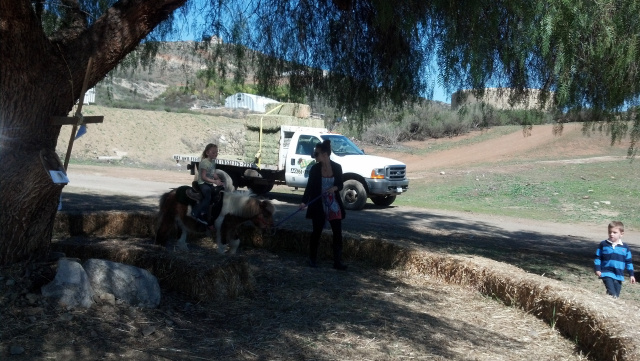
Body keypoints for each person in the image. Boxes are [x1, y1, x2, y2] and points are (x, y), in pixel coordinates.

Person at [300, 139, 347, 270]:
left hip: (333, 204)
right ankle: (312, 259)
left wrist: (335, 188)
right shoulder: (315, 169)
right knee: (316, 232)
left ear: (325, 154)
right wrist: (304, 202)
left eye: (316, 154)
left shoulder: (337, 167)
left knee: (337, 233)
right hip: (318, 204)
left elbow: (341, 184)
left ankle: (337, 262)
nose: (314, 156)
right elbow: (309, 187)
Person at [594, 221, 636, 298]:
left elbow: (629, 262)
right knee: (612, 294)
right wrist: (597, 269)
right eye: (610, 232)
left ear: (621, 234)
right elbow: (598, 257)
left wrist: (631, 275)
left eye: (614, 232)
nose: (611, 234)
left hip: (619, 274)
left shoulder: (625, 247)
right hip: (607, 272)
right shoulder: (603, 244)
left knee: (616, 296)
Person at [191, 143, 223, 224]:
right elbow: (203, 177)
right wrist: (214, 181)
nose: (215, 154)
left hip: (209, 183)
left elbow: (213, 173)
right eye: (213, 152)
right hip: (203, 183)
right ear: (207, 153)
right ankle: (198, 213)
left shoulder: (213, 162)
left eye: (216, 152)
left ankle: (212, 214)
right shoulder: (205, 162)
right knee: (207, 195)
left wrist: (219, 180)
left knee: (217, 193)